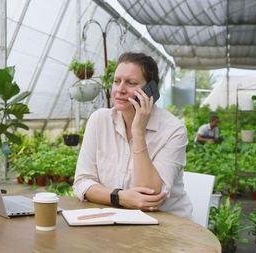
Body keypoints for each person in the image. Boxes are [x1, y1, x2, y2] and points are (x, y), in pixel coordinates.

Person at [73, 52, 192, 218]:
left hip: (166, 225)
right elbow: (82, 182)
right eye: (116, 81)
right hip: (116, 219)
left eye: (131, 83)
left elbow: (150, 195)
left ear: (150, 91)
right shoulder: (99, 120)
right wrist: (119, 197)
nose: (120, 89)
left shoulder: (173, 130)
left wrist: (138, 133)